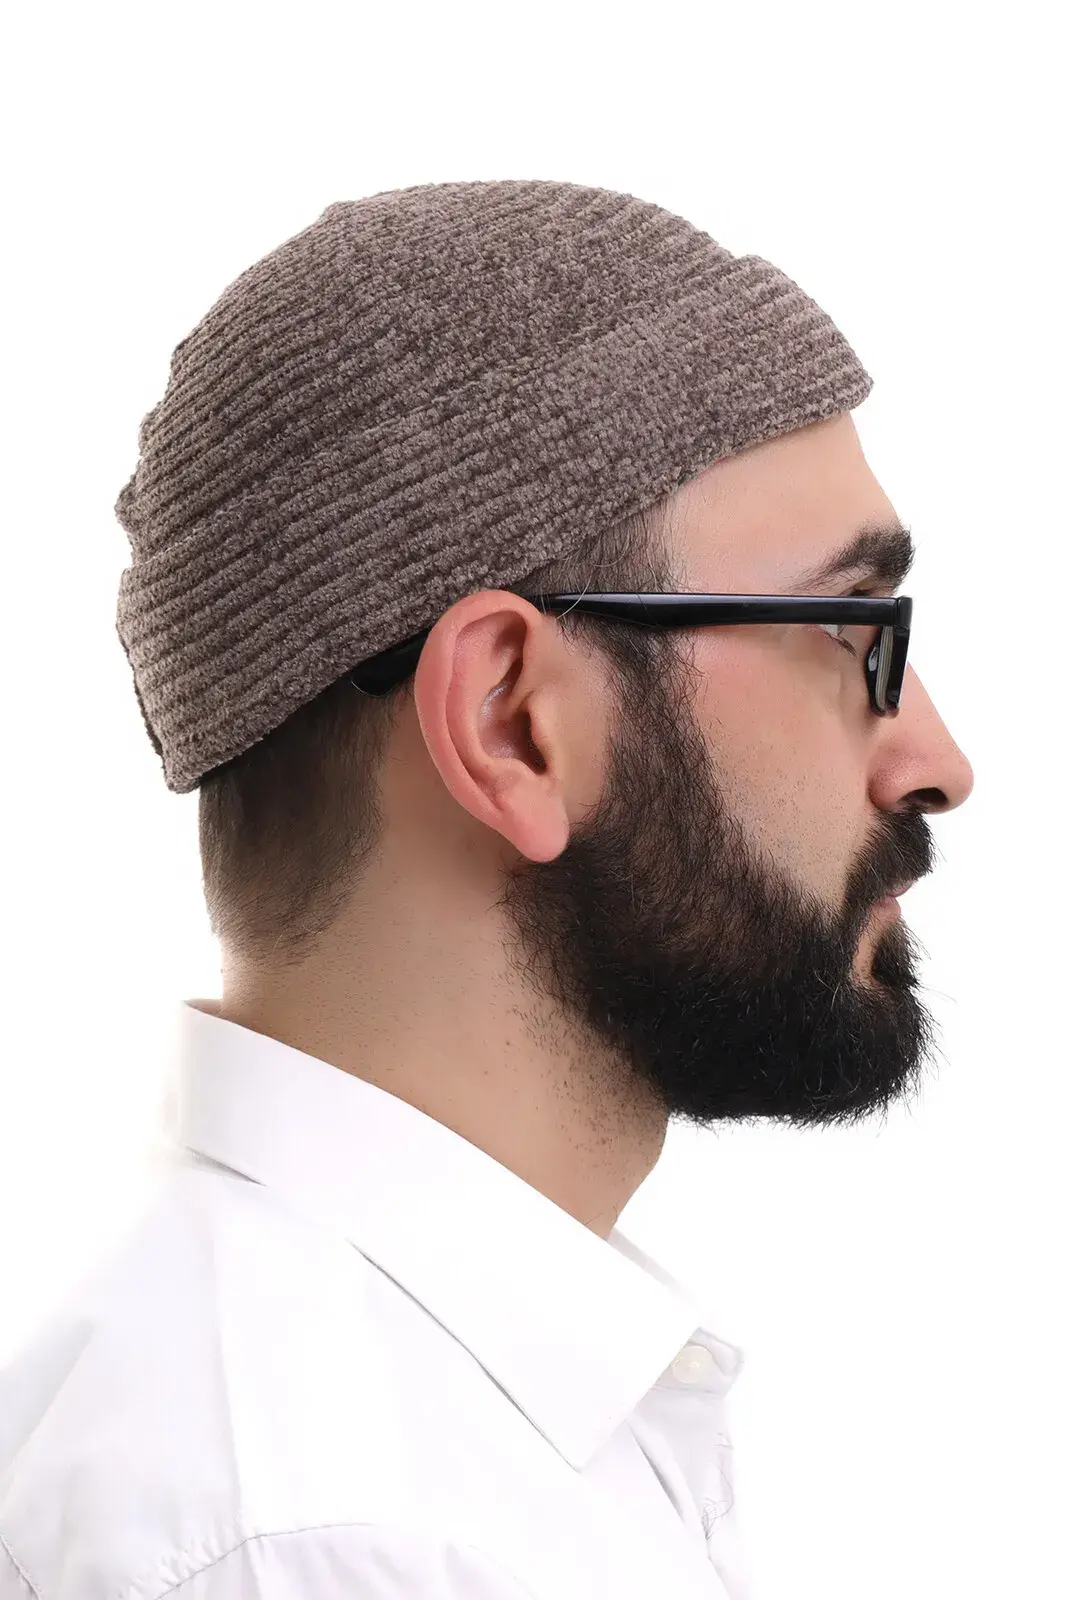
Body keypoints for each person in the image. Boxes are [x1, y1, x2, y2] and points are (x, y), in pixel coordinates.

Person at [0, 180, 973, 1600]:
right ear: (512, 722)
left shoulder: (417, 1428)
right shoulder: (330, 1533)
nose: (937, 762)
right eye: (846, 630)